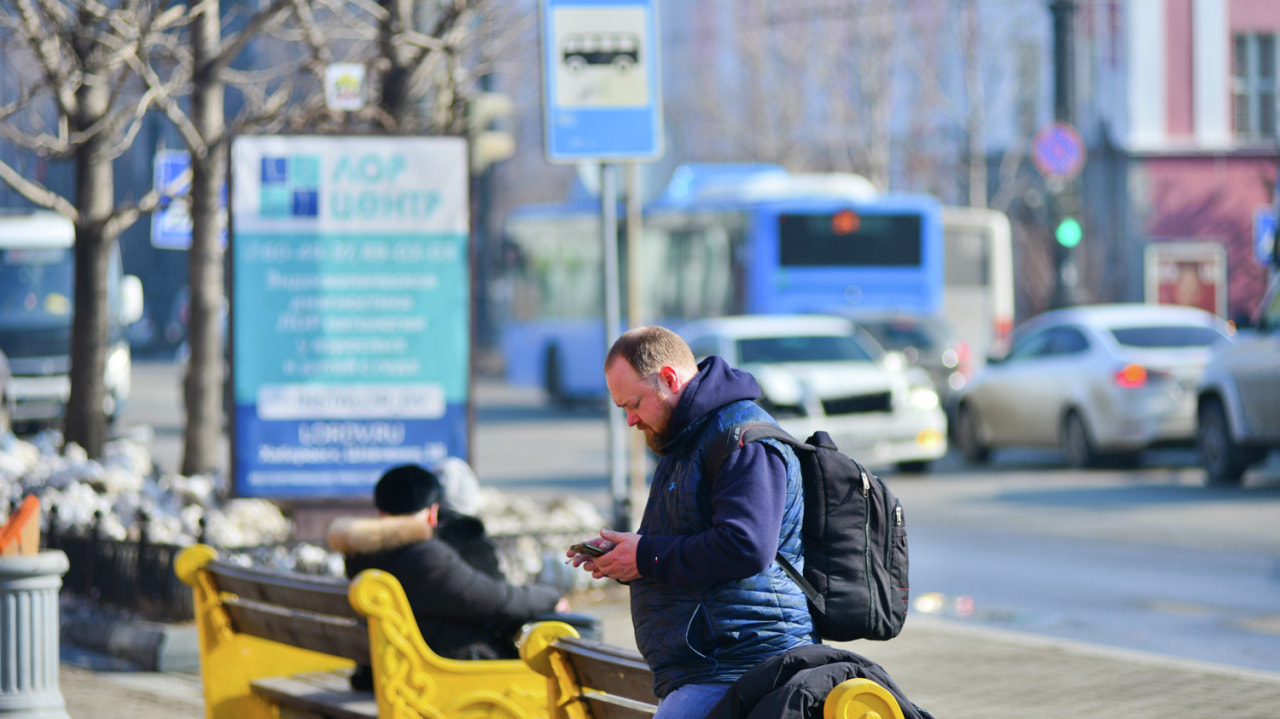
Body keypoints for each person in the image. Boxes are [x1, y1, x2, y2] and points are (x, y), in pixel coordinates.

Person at [568, 325, 815, 717]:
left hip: (742, 661)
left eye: (633, 404)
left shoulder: (742, 439)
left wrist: (645, 555)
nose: (631, 421)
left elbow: (746, 546)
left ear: (669, 378)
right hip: (704, 663)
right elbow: (684, 540)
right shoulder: (685, 438)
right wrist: (626, 558)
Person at [329, 463, 569, 690]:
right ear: (433, 513)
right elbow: (495, 600)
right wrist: (551, 598)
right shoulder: (425, 556)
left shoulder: (361, 555)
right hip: (439, 671)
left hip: (389, 668)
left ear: (381, 511)